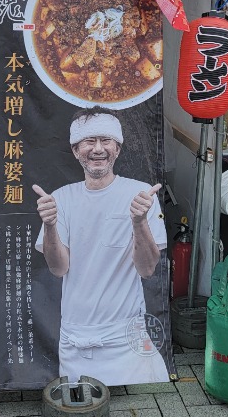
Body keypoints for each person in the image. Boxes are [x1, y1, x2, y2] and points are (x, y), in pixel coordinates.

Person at [33, 107, 169, 385]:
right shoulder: (61, 199)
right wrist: (49, 225)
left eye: (105, 141)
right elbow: (59, 268)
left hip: (126, 335)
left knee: (144, 413)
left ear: (117, 149)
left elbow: (146, 269)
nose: (97, 149)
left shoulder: (140, 194)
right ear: (75, 150)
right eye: (88, 142)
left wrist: (139, 221)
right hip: (77, 337)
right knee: (83, 415)